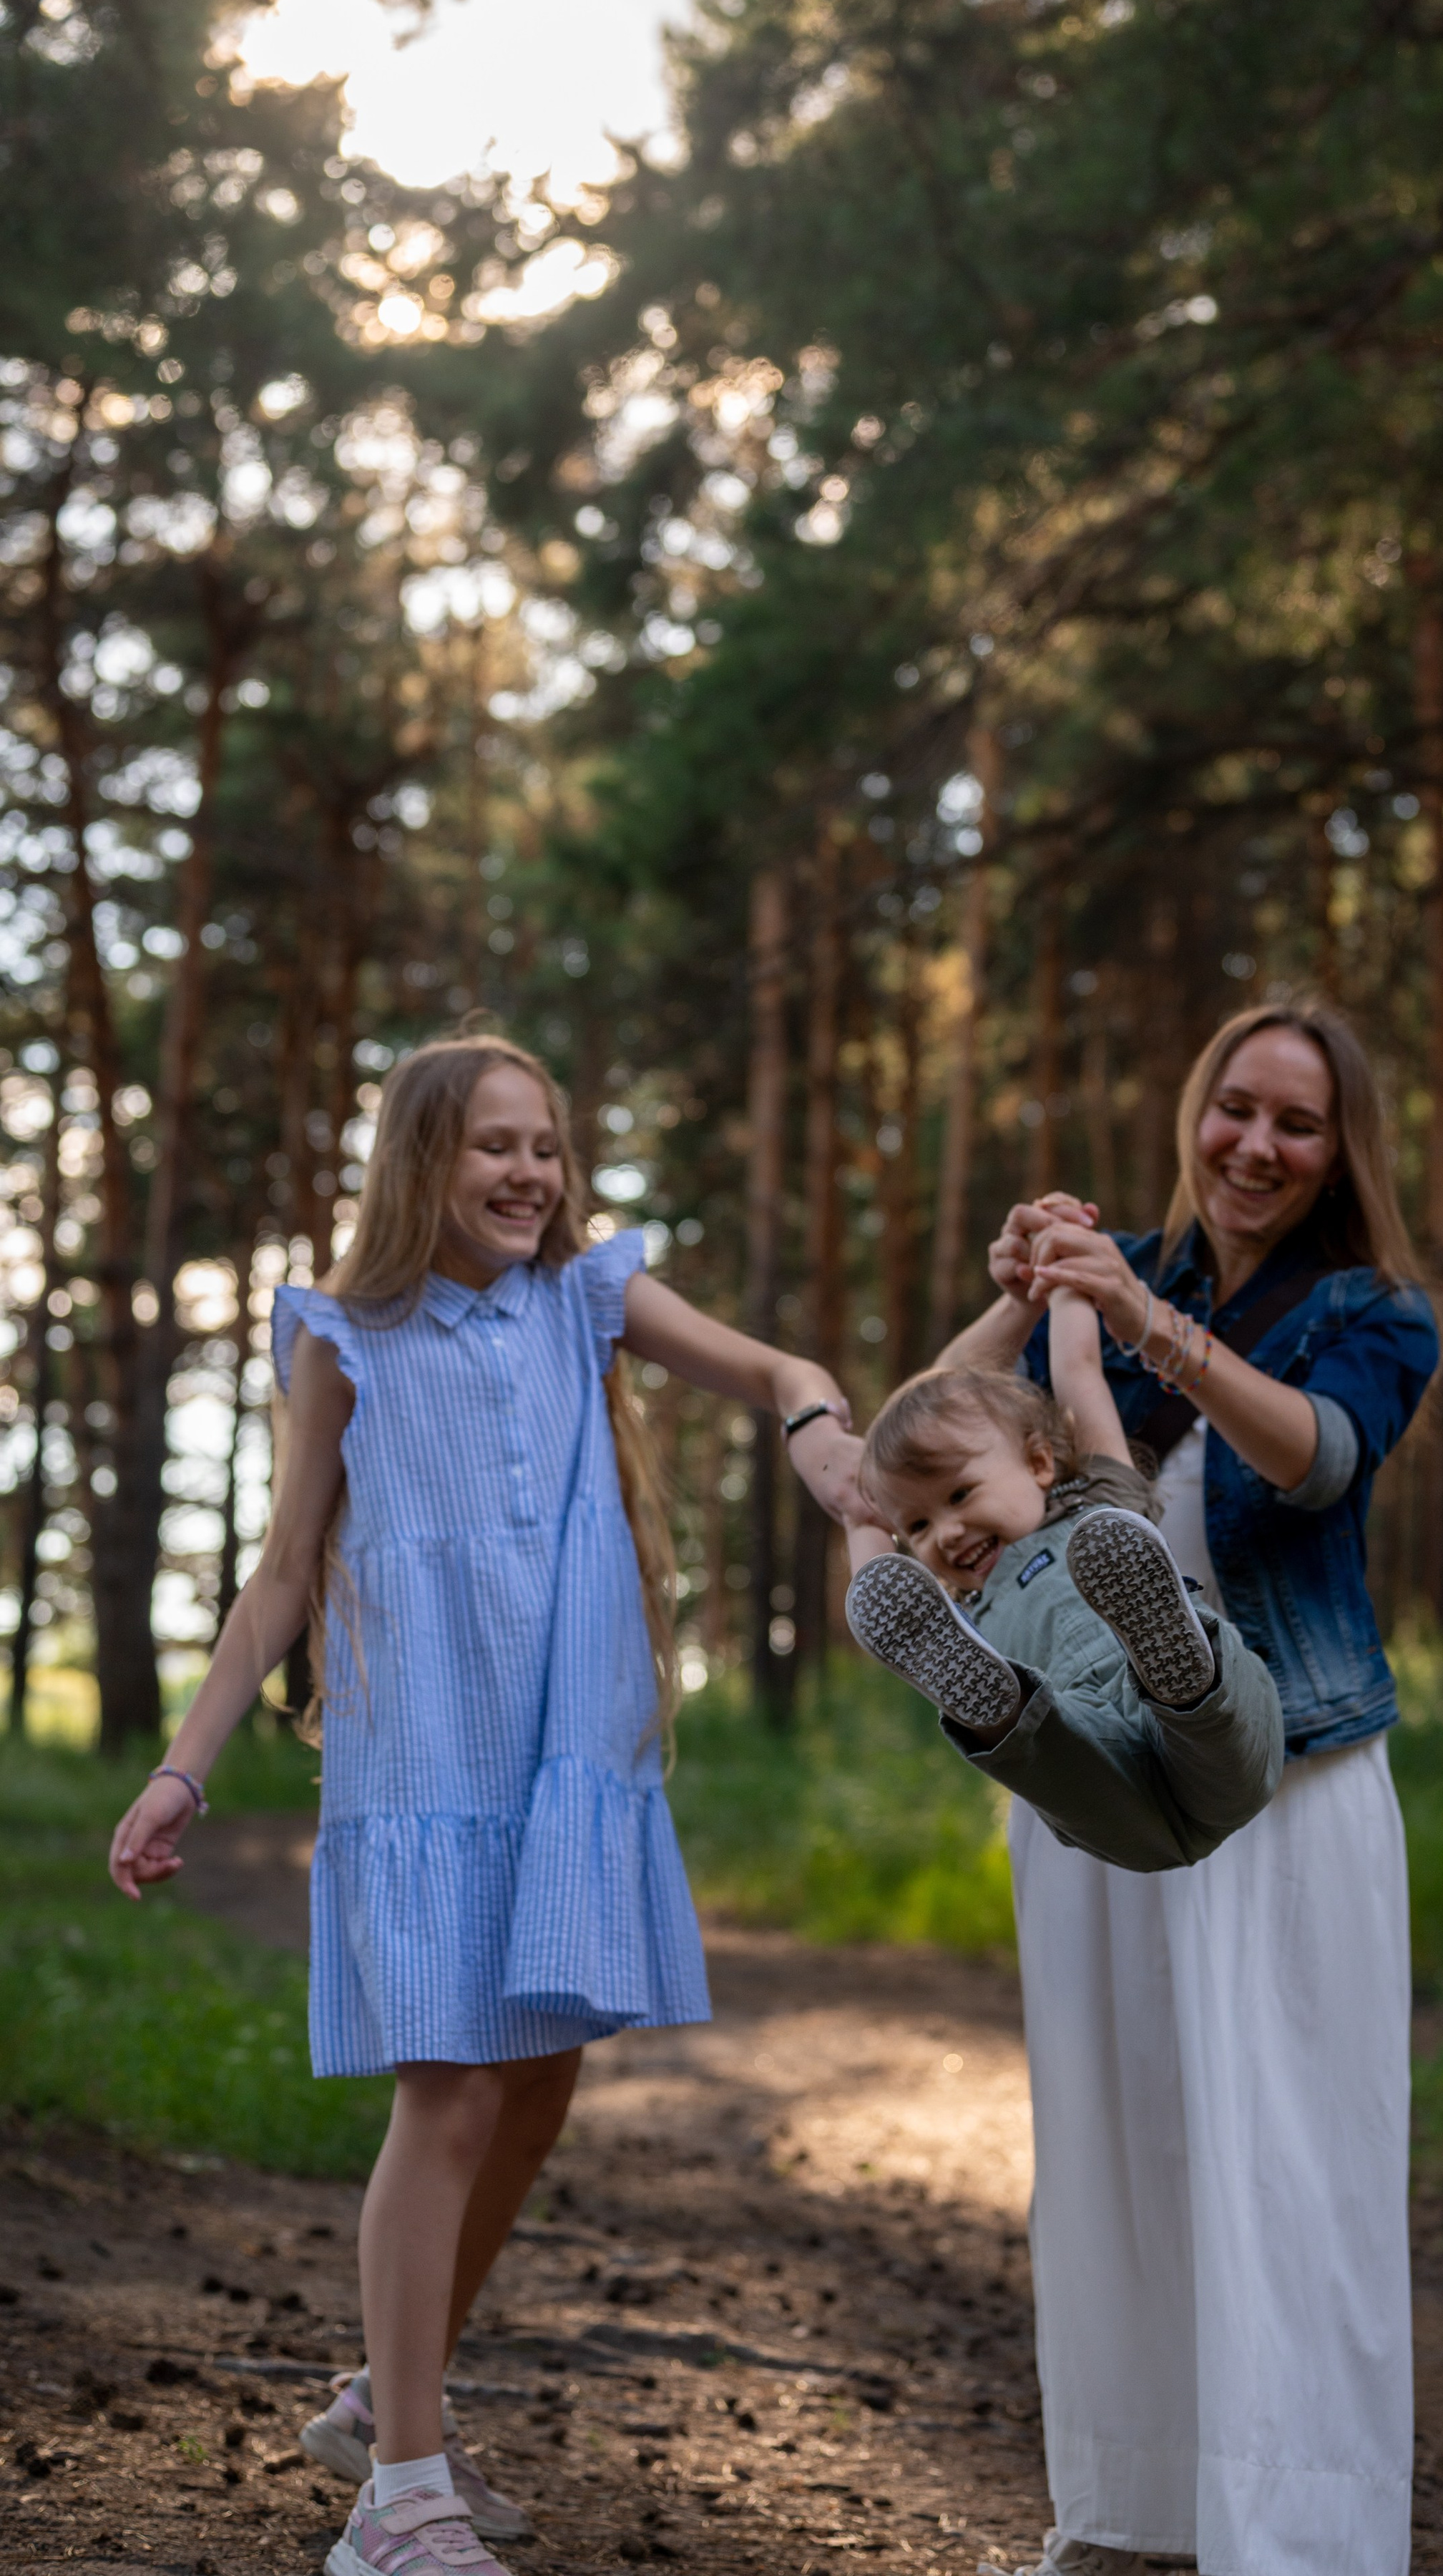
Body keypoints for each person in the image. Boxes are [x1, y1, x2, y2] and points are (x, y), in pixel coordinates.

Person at [107, 1035, 856, 2576]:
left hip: (565, 1749)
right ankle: (400, 2497)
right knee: (447, 2093)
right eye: (493, 1145)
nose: (528, 1173)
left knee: (538, 2079)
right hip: (427, 1757)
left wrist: (824, 1438)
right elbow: (283, 1573)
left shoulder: (587, 1297)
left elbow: (778, 1371)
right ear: (420, 1162)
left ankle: (379, 2403)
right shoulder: (345, 1336)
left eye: (546, 1145)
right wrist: (184, 1764)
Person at [936, 1000, 1439, 2576]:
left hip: (1287, 1781)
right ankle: (1130, 2513)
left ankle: (1295, 2536)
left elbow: (1315, 1458)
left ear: (1339, 1151)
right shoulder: (1116, 1271)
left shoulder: (1377, 1310)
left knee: (1285, 2157)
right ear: (1194, 1110)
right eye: (1236, 1107)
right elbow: (924, 1437)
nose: (1255, 1145)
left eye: (1297, 1122)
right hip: (1100, 1771)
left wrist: (1142, 1323)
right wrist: (1022, 1299)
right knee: (1113, 2144)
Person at [841, 1286, 1283, 1873]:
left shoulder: (1097, 1503)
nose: (946, 1534)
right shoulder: (962, 1615)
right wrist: (856, 1517)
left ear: (1039, 1462)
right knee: (1054, 1753)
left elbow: (1078, 1370)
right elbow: (880, 1585)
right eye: (917, 1526)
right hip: (1095, 1751)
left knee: (1213, 1717)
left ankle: (1182, 1676)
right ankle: (1006, 1713)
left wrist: (1068, 1287)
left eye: (960, 1494)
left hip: (1214, 1748)